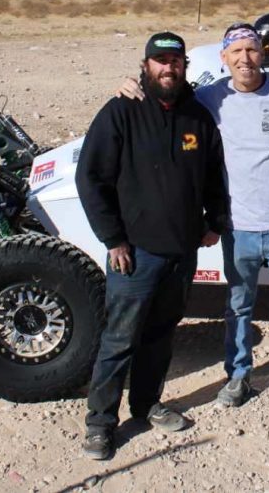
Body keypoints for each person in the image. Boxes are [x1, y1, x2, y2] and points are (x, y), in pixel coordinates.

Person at [119, 23, 269, 441]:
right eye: (236, 51)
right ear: (224, 58)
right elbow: (167, 103)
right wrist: (133, 85)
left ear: (262, 54)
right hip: (237, 228)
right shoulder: (209, 99)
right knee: (238, 308)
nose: (245, 58)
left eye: (251, 50)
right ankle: (238, 377)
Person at [77, 31, 229, 460]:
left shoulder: (198, 117)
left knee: (161, 336)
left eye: (176, 60)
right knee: (120, 338)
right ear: (146, 66)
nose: (169, 68)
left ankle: (145, 405)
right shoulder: (121, 112)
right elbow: (91, 179)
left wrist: (214, 221)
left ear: (184, 65)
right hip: (135, 254)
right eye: (160, 61)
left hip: (181, 253)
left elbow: (216, 176)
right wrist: (114, 239)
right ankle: (100, 423)